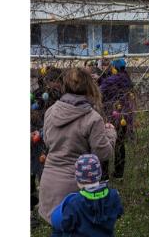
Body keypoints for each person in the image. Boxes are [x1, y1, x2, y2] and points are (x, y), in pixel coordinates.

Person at [37, 67, 115, 226]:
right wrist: (111, 135)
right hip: (75, 191)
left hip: (49, 186)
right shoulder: (93, 118)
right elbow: (104, 153)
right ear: (89, 87)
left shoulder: (50, 112)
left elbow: (48, 142)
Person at [47, 153, 122, 237]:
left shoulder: (73, 203)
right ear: (99, 175)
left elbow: (66, 226)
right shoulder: (114, 196)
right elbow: (118, 213)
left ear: (77, 179)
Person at [96, 59, 132, 179]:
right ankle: (118, 173)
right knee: (119, 144)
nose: (106, 66)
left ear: (113, 66)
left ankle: (104, 174)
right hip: (123, 116)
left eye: (108, 64)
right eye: (104, 63)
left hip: (111, 115)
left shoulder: (114, 78)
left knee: (107, 140)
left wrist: (98, 80)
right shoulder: (126, 77)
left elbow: (101, 90)